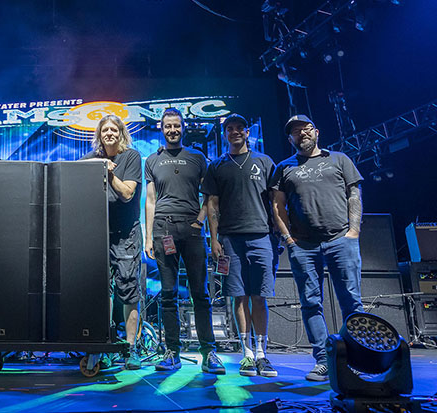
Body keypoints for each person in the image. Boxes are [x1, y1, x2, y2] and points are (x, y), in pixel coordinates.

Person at [270, 114, 364, 382]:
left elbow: (354, 194)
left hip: (339, 240)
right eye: (296, 131)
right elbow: (277, 207)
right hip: (304, 246)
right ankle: (325, 361)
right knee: (311, 303)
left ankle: (358, 360)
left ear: (317, 131)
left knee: (352, 303)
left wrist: (353, 232)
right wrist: (289, 239)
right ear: (290, 138)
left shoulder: (339, 159)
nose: (302, 133)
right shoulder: (284, 167)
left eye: (306, 128)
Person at [144, 108, 225, 374]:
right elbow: (151, 200)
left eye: (176, 126)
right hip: (163, 230)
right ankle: (172, 352)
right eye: (168, 126)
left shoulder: (198, 157)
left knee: (200, 294)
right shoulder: (152, 160)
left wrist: (199, 222)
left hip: (192, 232)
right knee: (168, 295)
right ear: (161, 128)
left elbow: (209, 197)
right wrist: (148, 236)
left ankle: (209, 352)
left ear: (183, 127)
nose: (172, 130)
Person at [203, 114, 278, 378]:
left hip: (261, 237)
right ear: (225, 134)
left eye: (239, 128)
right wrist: (213, 239)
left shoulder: (265, 162)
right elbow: (212, 205)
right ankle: (247, 354)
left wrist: (281, 233)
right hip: (229, 239)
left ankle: (262, 354)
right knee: (239, 295)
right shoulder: (217, 166)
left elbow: (276, 201)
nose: (234, 132)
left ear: (247, 132)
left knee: (259, 295)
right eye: (229, 129)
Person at [80, 115, 143, 370]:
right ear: (99, 134)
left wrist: (108, 173)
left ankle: (130, 349)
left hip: (126, 234)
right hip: (96, 235)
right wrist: (96, 164)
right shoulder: (90, 159)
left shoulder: (132, 157)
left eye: (113, 129)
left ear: (121, 133)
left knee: (128, 291)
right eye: (104, 129)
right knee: (97, 292)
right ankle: (101, 343)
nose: (109, 133)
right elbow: (70, 173)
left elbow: (127, 193)